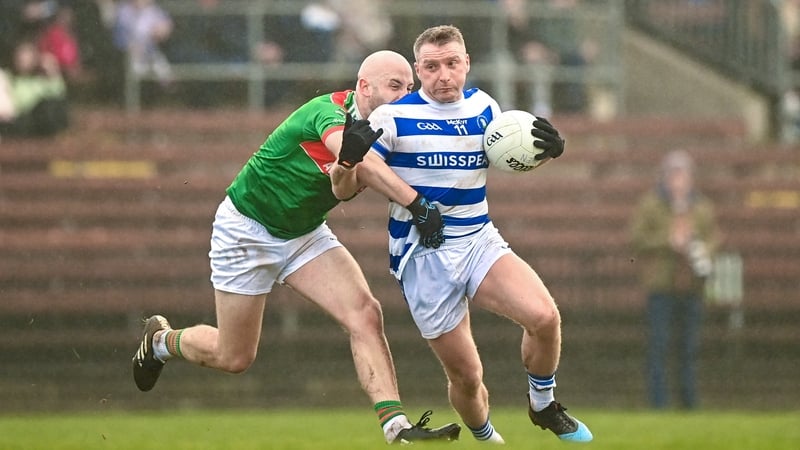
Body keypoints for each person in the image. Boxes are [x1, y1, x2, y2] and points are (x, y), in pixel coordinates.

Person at [131, 50, 461, 445]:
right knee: (234, 357)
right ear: (363, 87)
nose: (405, 95)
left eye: (408, 88)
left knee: (365, 313)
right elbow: (349, 154)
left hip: (303, 234)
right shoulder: (327, 112)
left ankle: (397, 428)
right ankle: (160, 341)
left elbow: (344, 184)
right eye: (395, 86)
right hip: (246, 232)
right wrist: (415, 204)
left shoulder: (389, 131)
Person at [333, 25, 593, 444]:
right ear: (419, 71)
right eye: (432, 67)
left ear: (466, 63)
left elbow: (513, 157)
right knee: (468, 378)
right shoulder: (393, 117)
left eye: (452, 64)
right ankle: (487, 438)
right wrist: (345, 163)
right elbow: (344, 190)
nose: (444, 76)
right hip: (423, 259)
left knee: (544, 317)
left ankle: (543, 405)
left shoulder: (484, 108)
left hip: (477, 241)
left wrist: (547, 152)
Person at [630, 149, 719, 409]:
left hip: (692, 285)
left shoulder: (701, 207)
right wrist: (668, 241)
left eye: (683, 175)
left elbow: (713, 238)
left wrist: (701, 248)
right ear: (665, 178)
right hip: (661, 285)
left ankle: (689, 402)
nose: (678, 181)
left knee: (689, 347)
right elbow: (637, 238)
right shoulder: (650, 205)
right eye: (673, 175)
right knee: (659, 346)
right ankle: (658, 403)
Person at [0, 38, 69, 137]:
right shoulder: (9, 78)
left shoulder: (41, 80)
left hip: (38, 118)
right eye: (20, 57)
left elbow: (59, 92)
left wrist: (52, 71)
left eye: (26, 57)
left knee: (49, 106)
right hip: (17, 118)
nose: (23, 61)